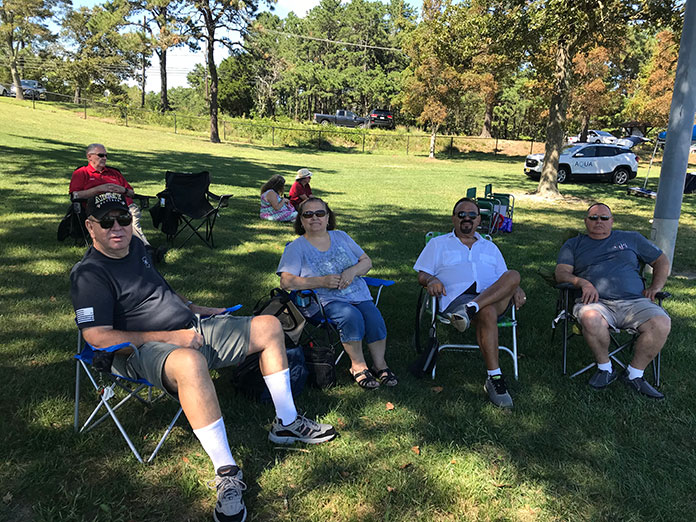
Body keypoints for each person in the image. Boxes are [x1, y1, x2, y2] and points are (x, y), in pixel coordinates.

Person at [70, 192, 337, 522]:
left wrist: (195, 308)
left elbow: (160, 290)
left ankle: (286, 423)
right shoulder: (89, 274)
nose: (117, 227)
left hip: (190, 327)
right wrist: (172, 338)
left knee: (269, 326)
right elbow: (97, 337)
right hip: (139, 350)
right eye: (106, 222)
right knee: (190, 361)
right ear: (90, 227)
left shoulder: (136, 247)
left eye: (123, 219)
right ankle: (226, 472)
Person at [413, 197, 525, 409]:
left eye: (472, 215)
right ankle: (495, 377)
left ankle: (472, 309)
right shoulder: (438, 244)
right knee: (487, 311)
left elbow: (505, 277)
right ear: (453, 218)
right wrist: (431, 279)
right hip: (458, 299)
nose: (467, 218)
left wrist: (516, 288)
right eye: (461, 214)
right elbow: (422, 274)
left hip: (493, 296)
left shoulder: (490, 247)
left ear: (479, 219)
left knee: (514, 275)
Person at [277, 197, 397, 390]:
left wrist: (352, 271)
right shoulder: (296, 247)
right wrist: (321, 281)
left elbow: (366, 261)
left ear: (327, 217)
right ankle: (358, 366)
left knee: (374, 319)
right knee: (351, 317)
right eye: (308, 214)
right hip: (323, 300)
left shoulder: (341, 236)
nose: (314, 218)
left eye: (320, 213)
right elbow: (286, 282)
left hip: (357, 293)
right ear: (301, 220)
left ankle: (380, 365)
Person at [555, 202, 671, 399]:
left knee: (662, 322)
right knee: (590, 318)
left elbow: (661, 261)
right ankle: (605, 368)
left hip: (635, 301)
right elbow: (561, 273)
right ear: (585, 221)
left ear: (612, 221)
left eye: (604, 218)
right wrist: (582, 282)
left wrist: (655, 287)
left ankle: (634, 374)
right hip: (595, 302)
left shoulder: (631, 238)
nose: (598, 221)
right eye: (593, 218)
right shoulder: (574, 244)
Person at [70, 143, 165, 262]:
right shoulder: (82, 173)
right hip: (101, 209)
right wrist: (98, 189)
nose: (104, 158)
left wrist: (122, 189)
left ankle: (143, 251)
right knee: (125, 221)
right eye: (101, 155)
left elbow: (131, 193)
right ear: (89, 156)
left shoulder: (114, 173)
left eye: (106, 155)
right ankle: (146, 251)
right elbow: (75, 195)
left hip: (124, 205)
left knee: (130, 218)